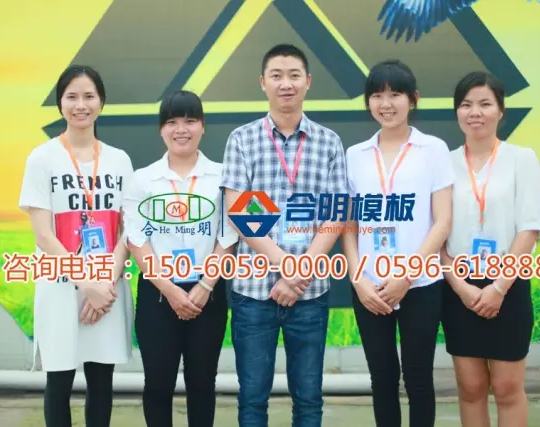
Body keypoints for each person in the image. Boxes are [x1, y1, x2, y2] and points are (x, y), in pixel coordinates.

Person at [220, 44, 348, 426]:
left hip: (310, 293)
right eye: (276, 75)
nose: (285, 84)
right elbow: (238, 211)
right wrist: (288, 267)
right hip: (253, 291)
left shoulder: (328, 142)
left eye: (294, 75)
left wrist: (299, 274)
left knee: (308, 399)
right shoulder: (242, 139)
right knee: (252, 399)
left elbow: (334, 215)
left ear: (308, 81)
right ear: (263, 83)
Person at [18, 65, 134, 427]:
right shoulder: (42, 158)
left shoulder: (119, 160)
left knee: (102, 382)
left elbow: (127, 230)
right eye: (71, 97)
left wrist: (105, 284)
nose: (80, 105)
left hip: (108, 287)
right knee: (59, 382)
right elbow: (43, 235)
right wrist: (86, 283)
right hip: (61, 287)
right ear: (60, 104)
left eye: (88, 96)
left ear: (101, 102)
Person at [342, 59, 454, 427]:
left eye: (395, 95)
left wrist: (406, 276)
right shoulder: (355, 155)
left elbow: (442, 222)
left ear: (413, 99)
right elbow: (349, 224)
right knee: (383, 379)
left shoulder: (433, 149)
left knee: (418, 378)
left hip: (420, 284)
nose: (386, 104)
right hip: (370, 286)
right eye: (377, 96)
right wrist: (358, 279)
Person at [122, 90, 238, 427]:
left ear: (203, 126)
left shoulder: (223, 177)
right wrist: (170, 290)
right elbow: (136, 240)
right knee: (158, 385)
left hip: (208, 294)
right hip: (158, 294)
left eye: (189, 121)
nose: (181, 129)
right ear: (161, 129)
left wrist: (205, 286)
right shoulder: (143, 179)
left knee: (202, 384)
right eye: (172, 122)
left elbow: (228, 236)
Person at [440, 71, 540, 427]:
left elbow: (530, 226)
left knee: (506, 388)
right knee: (470, 388)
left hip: (508, 284)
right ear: (457, 112)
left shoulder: (521, 158)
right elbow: (437, 231)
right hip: (459, 286)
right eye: (466, 104)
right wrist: (461, 287)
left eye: (485, 104)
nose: (475, 112)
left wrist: (499, 288)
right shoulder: (444, 163)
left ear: (501, 111)